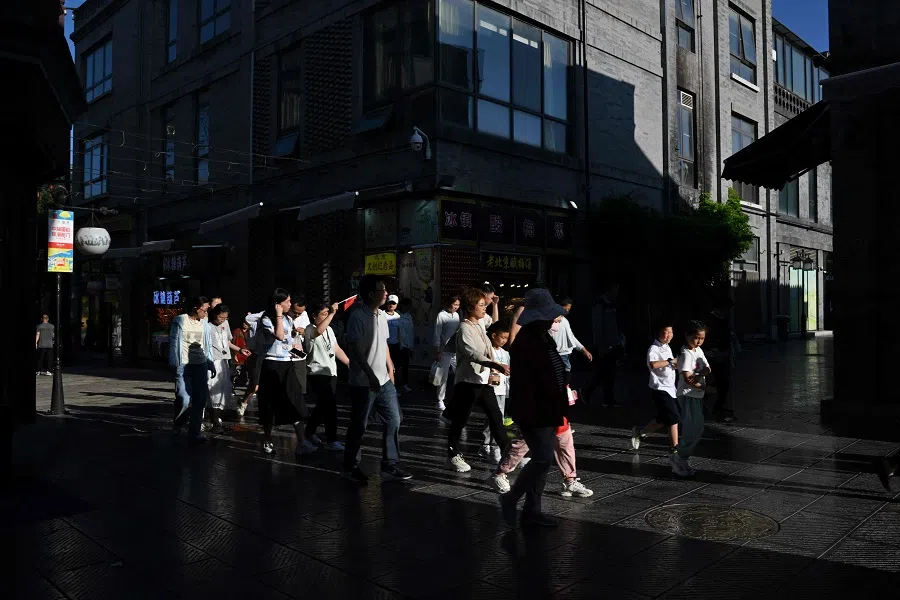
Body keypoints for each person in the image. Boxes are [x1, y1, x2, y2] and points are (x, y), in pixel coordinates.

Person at [499, 289, 569, 528]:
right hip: (535, 408)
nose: (552, 319)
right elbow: (530, 381)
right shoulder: (527, 342)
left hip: (547, 407)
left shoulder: (541, 337)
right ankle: (512, 498)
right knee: (542, 458)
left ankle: (532, 509)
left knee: (544, 459)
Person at [342, 275, 413, 484]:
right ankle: (350, 466)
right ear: (371, 294)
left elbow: (383, 345)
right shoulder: (357, 317)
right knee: (359, 425)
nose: (385, 293)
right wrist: (370, 375)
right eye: (382, 290)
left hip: (383, 380)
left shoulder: (382, 316)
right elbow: (354, 350)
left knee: (394, 419)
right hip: (363, 382)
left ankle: (390, 463)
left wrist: (390, 366)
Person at [445, 288, 511, 473]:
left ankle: (508, 454)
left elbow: (495, 322)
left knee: (496, 417)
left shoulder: (480, 323)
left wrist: (494, 303)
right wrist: (495, 365)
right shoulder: (464, 328)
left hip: (483, 380)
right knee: (460, 420)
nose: (485, 308)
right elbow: (472, 353)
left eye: (485, 304)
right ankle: (453, 455)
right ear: (470, 307)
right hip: (468, 382)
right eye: (481, 305)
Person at [256, 289, 312, 456]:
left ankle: (302, 443)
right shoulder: (267, 319)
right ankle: (267, 440)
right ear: (277, 304)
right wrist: (279, 316)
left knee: (296, 401)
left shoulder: (289, 319)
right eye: (286, 302)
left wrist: (303, 357)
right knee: (269, 404)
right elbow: (279, 336)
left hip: (287, 364)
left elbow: (288, 343)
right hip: (272, 365)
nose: (290, 304)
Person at [490, 418, 594, 499]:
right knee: (524, 441)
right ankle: (499, 474)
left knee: (564, 441)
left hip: (556, 406)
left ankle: (569, 481)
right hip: (537, 406)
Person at [303, 301, 350, 453]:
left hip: (331, 372)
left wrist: (349, 363)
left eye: (326, 314)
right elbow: (319, 331)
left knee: (322, 406)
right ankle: (332, 438)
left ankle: (308, 432)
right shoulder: (310, 329)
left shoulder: (329, 329)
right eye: (322, 314)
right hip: (317, 372)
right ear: (314, 316)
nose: (325, 317)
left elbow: (335, 348)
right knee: (330, 406)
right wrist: (331, 313)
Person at [168, 296, 215, 442]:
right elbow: (173, 340)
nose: (206, 313)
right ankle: (179, 422)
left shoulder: (205, 324)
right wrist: (174, 362)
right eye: (205, 309)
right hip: (184, 364)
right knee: (184, 397)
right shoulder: (180, 320)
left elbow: (207, 345)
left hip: (200, 364)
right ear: (196, 308)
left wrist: (210, 363)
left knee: (200, 400)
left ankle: (194, 431)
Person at [631, 321, 679, 452]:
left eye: (671, 332)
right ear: (659, 332)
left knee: (664, 419)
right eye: (666, 332)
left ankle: (640, 432)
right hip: (660, 388)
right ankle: (675, 447)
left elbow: (668, 364)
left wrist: (674, 365)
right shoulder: (654, 348)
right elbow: (653, 364)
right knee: (673, 417)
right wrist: (670, 361)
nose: (669, 335)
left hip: (670, 388)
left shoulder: (667, 347)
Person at [673, 320, 712, 477]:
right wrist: (704, 386)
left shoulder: (698, 351)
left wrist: (701, 374)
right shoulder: (686, 354)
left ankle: (682, 458)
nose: (699, 341)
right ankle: (679, 458)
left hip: (696, 394)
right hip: (688, 394)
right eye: (696, 338)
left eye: (702, 338)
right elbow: (689, 379)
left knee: (696, 427)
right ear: (687, 335)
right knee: (693, 428)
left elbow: (708, 368)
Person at [206, 304, 250, 430]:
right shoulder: (207, 327)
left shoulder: (226, 325)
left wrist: (240, 350)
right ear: (214, 315)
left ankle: (216, 415)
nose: (223, 320)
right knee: (212, 389)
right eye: (221, 317)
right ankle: (214, 419)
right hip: (213, 360)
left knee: (225, 388)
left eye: (225, 318)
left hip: (224, 360)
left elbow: (228, 342)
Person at [585, 282, 625, 406]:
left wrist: (620, 339)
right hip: (605, 345)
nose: (617, 292)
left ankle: (607, 398)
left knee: (609, 373)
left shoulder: (612, 304)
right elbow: (597, 326)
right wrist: (600, 345)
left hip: (613, 343)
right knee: (604, 372)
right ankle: (588, 391)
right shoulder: (600, 304)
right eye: (615, 288)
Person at [479, 321, 511, 464]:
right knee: (493, 417)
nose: (504, 341)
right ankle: (489, 446)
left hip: (501, 389)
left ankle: (489, 445)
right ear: (493, 336)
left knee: (498, 417)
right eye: (502, 337)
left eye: (506, 338)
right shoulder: (488, 350)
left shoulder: (505, 353)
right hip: (491, 388)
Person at [705, 296, 736, 422]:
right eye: (727, 308)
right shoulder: (710, 321)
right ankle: (713, 409)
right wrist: (711, 352)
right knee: (716, 383)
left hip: (723, 355)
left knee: (724, 383)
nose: (729, 311)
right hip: (714, 356)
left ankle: (719, 409)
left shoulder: (723, 320)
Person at [550, 297, 593, 374]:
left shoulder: (565, 321)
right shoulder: (550, 320)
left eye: (568, 309)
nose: (566, 311)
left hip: (566, 354)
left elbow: (571, 337)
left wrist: (583, 350)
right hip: (558, 356)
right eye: (565, 308)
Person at [432, 296, 461, 411]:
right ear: (449, 303)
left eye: (458, 305)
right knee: (442, 376)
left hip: (456, 350)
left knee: (459, 374)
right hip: (445, 350)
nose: (456, 307)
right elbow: (437, 333)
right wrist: (438, 351)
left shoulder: (457, 315)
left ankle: (458, 398)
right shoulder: (441, 315)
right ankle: (440, 400)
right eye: (454, 304)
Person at [237, 309, 265, 418]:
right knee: (255, 386)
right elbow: (248, 318)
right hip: (256, 354)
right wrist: (265, 314)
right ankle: (243, 402)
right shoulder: (256, 322)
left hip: (271, 355)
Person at [385, 295, 404, 391]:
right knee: (386, 367)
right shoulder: (382, 315)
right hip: (385, 345)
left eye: (393, 303)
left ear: (396, 305)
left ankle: (395, 387)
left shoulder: (398, 316)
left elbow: (399, 332)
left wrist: (401, 344)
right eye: (390, 303)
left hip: (395, 345)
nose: (391, 305)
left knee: (396, 367)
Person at [396, 297, 415, 394]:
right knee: (397, 366)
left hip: (407, 345)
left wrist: (411, 346)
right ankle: (396, 385)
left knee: (405, 366)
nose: (408, 308)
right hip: (398, 344)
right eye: (407, 306)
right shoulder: (396, 315)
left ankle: (404, 384)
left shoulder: (409, 316)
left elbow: (410, 332)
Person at [231, 320, 250, 389]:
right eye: (244, 323)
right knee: (236, 372)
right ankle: (232, 387)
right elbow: (233, 342)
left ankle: (250, 388)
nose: (245, 324)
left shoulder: (251, 332)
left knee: (248, 372)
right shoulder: (237, 331)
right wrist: (234, 354)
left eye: (247, 323)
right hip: (239, 354)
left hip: (248, 355)